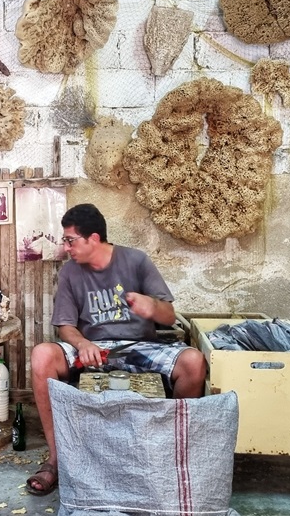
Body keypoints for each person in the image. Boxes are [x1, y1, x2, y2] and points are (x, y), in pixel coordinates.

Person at [25, 203, 207, 497]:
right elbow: (65, 326)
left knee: (194, 363)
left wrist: (153, 307)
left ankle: (168, 454)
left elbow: (169, 316)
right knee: (42, 355)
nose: (67, 247)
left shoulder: (136, 261)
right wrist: (82, 343)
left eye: (71, 240)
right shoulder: (71, 273)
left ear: (93, 239)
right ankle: (57, 458)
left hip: (140, 346)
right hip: (95, 349)